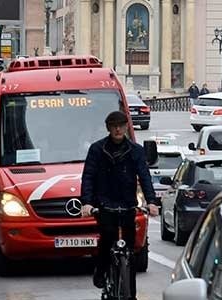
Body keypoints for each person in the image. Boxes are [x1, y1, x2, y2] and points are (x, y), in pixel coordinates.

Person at [80, 111, 160, 300]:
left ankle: (130, 295)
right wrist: (87, 203)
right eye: (114, 125)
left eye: (121, 125)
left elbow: (145, 177)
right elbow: (88, 177)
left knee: (130, 254)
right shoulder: (97, 149)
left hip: (127, 204)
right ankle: (101, 270)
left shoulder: (136, 151)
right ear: (108, 128)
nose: (117, 129)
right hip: (104, 204)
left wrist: (151, 202)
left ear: (126, 127)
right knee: (107, 238)